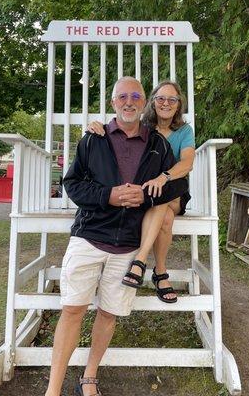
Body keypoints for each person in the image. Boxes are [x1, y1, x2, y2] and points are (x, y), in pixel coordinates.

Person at [45, 76, 188, 396]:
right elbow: (74, 184)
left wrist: (145, 196)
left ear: (143, 103)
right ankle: (53, 390)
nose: (129, 101)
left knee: (109, 312)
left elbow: (176, 187)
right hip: (89, 235)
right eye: (122, 96)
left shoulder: (158, 144)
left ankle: (90, 376)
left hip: (128, 244)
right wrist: (108, 196)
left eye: (135, 95)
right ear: (112, 102)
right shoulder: (93, 140)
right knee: (72, 309)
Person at [87, 80, 195, 303]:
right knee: (162, 211)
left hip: (172, 189)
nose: (166, 103)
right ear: (152, 102)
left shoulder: (184, 130)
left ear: (178, 105)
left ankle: (142, 261)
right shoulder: (144, 125)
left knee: (163, 201)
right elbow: (119, 127)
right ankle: (160, 275)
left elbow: (187, 163)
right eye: (161, 98)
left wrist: (163, 177)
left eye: (172, 99)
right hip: (145, 191)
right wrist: (97, 125)